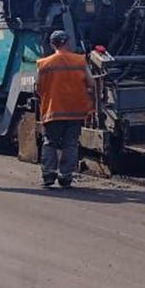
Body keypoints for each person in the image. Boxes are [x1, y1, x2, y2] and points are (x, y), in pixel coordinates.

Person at [36, 30, 95, 188]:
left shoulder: (44, 64)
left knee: (50, 143)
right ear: (67, 43)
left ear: (51, 44)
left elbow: (38, 87)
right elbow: (92, 84)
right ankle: (66, 177)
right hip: (75, 111)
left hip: (53, 110)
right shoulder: (79, 61)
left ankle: (49, 175)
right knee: (71, 144)